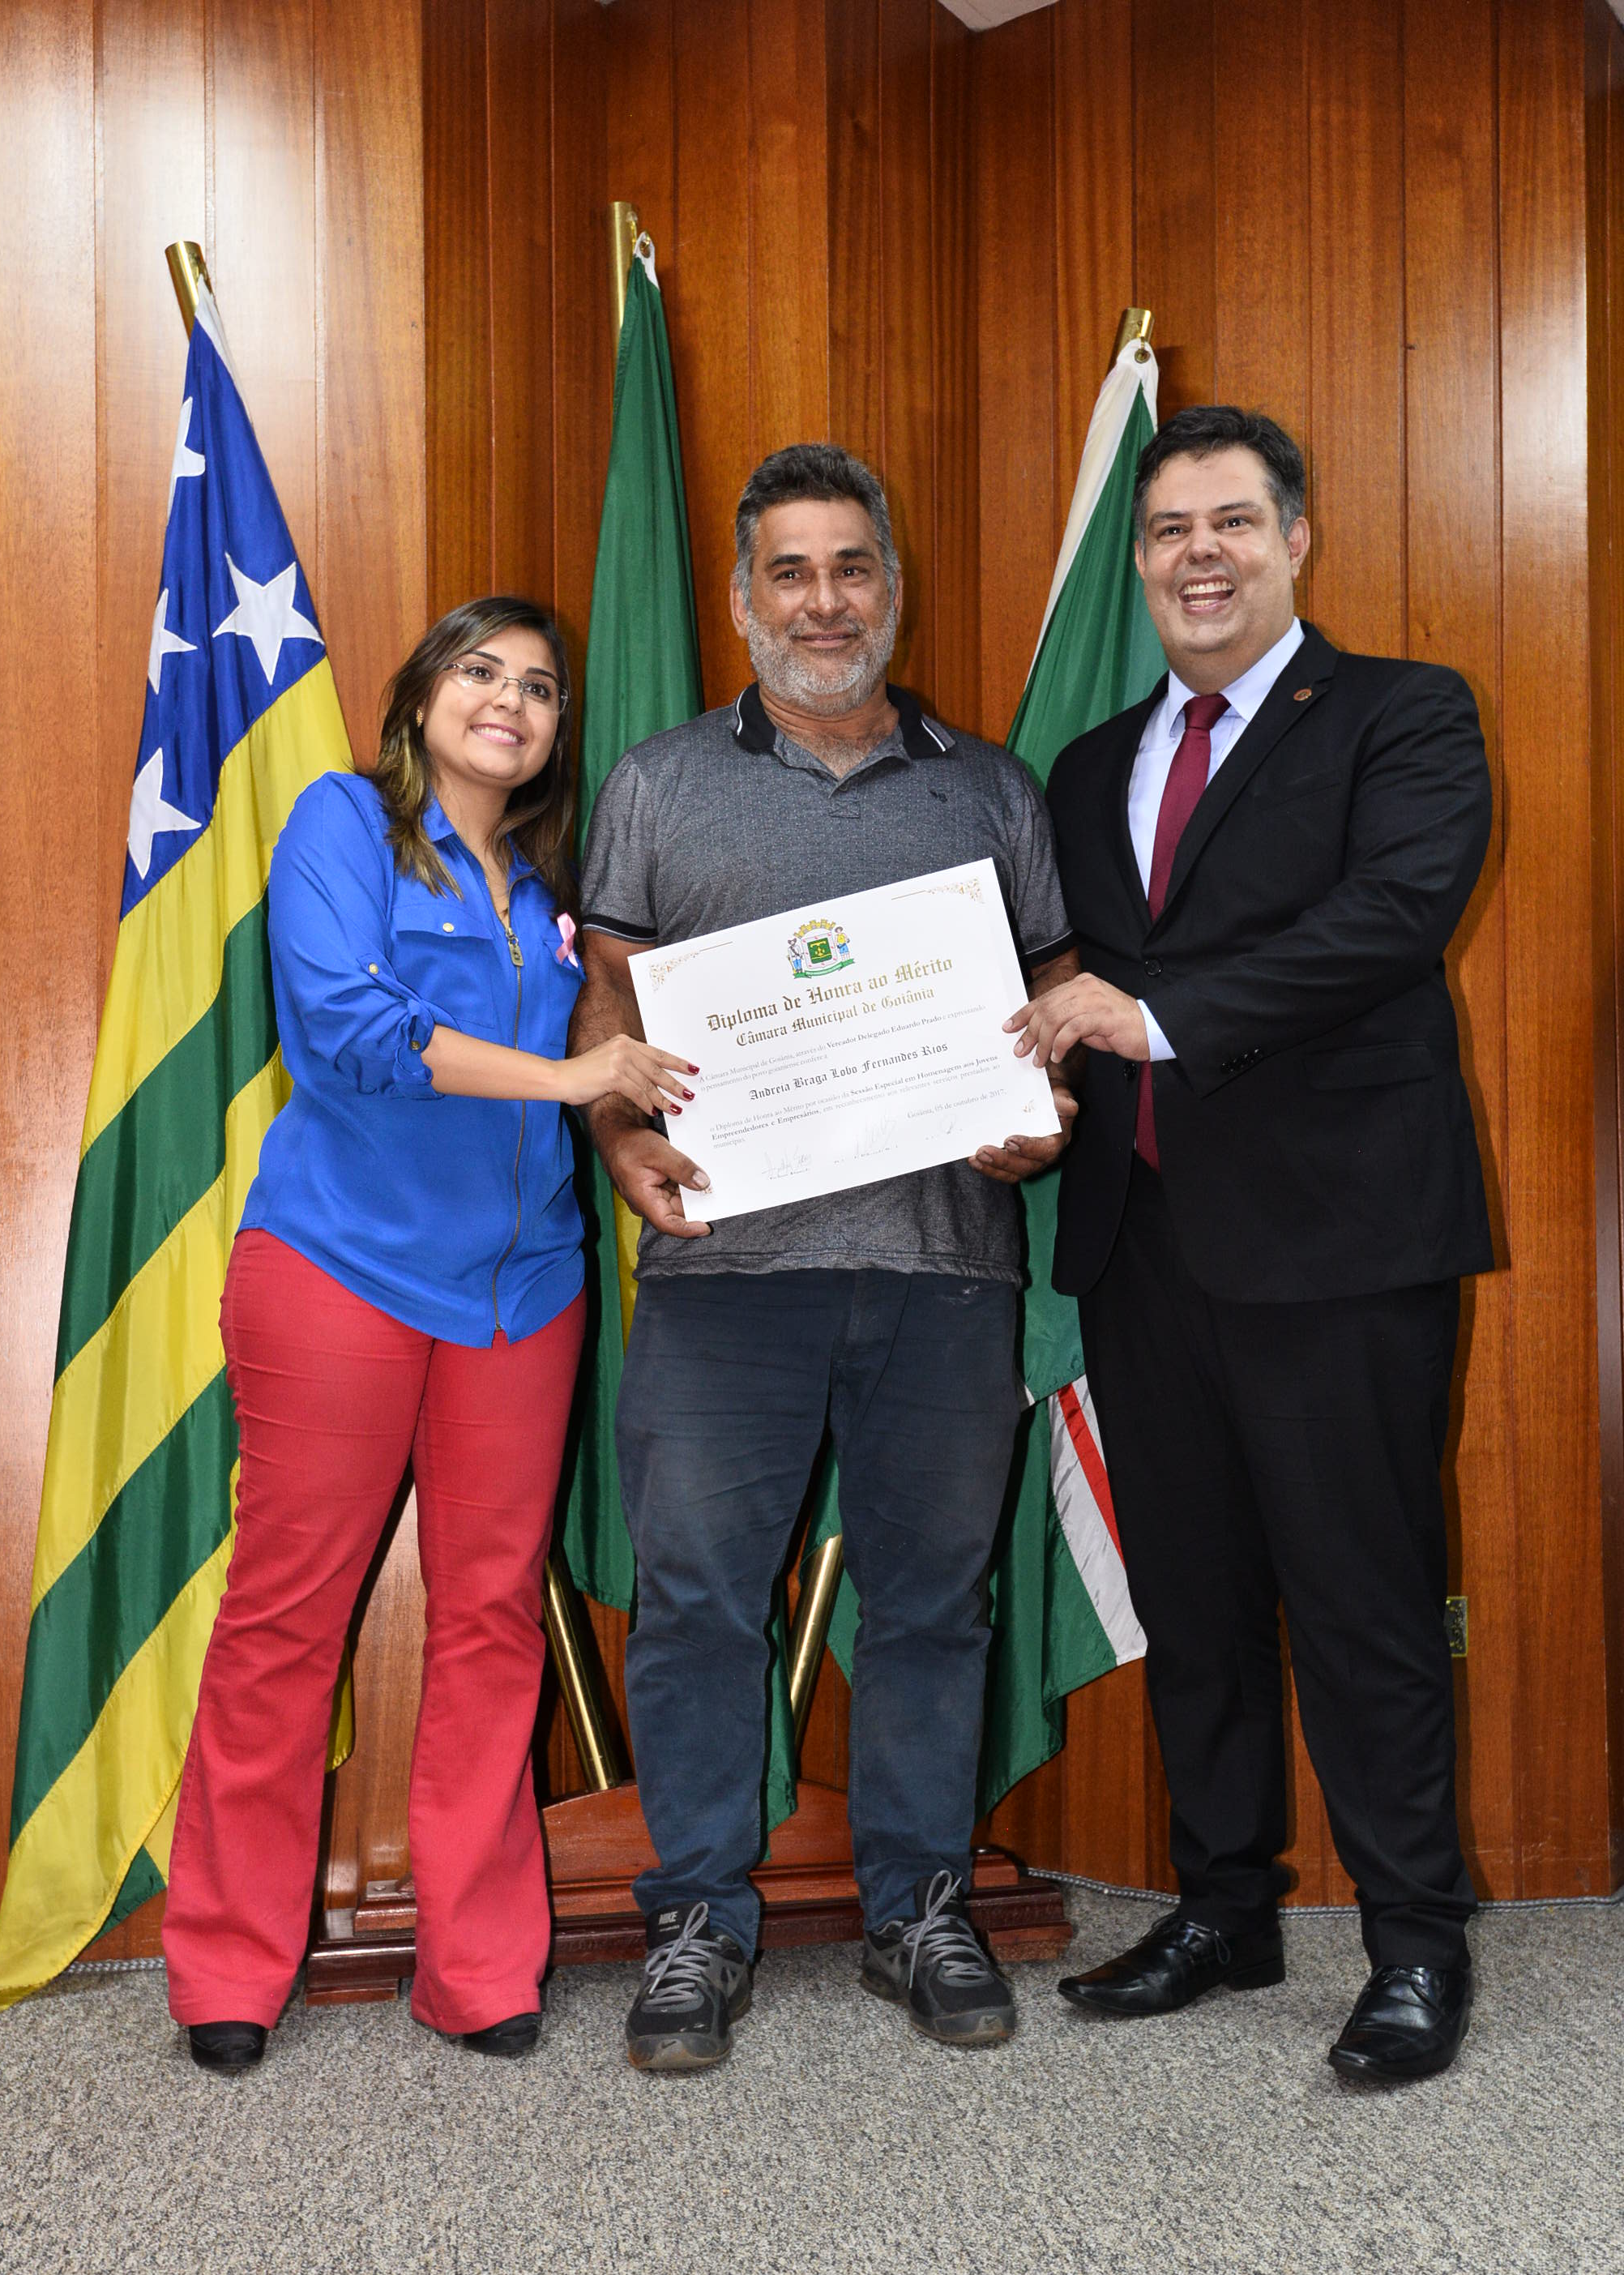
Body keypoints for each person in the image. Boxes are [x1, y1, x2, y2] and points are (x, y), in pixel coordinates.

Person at [572, 443, 1080, 2071]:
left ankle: (916, 1906)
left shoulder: (988, 789)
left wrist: (1041, 1116)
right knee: (698, 1603)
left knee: (934, 1601)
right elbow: (609, 1002)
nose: (823, 601)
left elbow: (1047, 1005)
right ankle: (697, 1920)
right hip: (725, 1274)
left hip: (946, 1270)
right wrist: (620, 1136)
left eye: (851, 567)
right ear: (740, 600)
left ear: (891, 588)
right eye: (788, 571)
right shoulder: (657, 784)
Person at [1015, 407, 1493, 2085]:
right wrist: (1026, 1091)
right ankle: (1224, 1909)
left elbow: (1391, 920)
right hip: (1142, 1240)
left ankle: (1415, 1943)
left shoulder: (1400, 714)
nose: (1197, 554)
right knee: (1196, 1601)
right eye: (1167, 530)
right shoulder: (1087, 768)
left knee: (1362, 1598)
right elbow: (1063, 986)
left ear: (1294, 538)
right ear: (1140, 561)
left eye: (1230, 521)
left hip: (1338, 1240)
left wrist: (1150, 1020)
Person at [161, 596, 692, 2073]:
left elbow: (615, 1066)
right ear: (418, 700)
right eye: (479, 671)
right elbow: (349, 1031)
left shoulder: (553, 888)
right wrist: (574, 1074)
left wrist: (630, 1110)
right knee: (287, 1616)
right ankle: (226, 1966)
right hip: (341, 1272)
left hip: (526, 1291)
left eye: (540, 686)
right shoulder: (341, 823)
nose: (510, 700)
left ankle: (479, 1966)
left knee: (492, 1619)